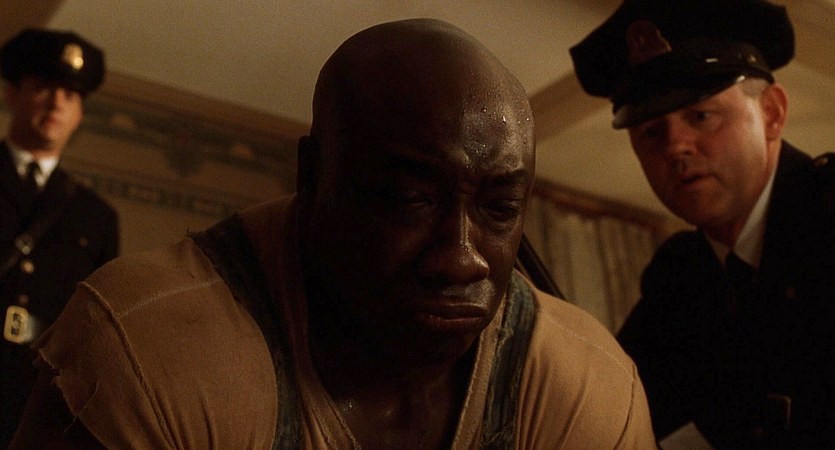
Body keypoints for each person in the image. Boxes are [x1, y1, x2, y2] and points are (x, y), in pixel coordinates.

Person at [10, 19, 655, 449]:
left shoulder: (587, 388)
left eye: (500, 208)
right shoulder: (147, 351)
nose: (461, 260)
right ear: (311, 177)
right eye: (409, 199)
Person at [571, 0, 835, 447]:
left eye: (701, 116)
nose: (675, 146)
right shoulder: (679, 281)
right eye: (651, 132)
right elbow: (611, 418)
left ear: (771, 113)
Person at [0, 28, 119, 448]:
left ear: (80, 115)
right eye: (45, 87)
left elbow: (96, 333)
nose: (57, 103)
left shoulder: (96, 217)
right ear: (12, 95)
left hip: (35, 411)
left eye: (70, 95)